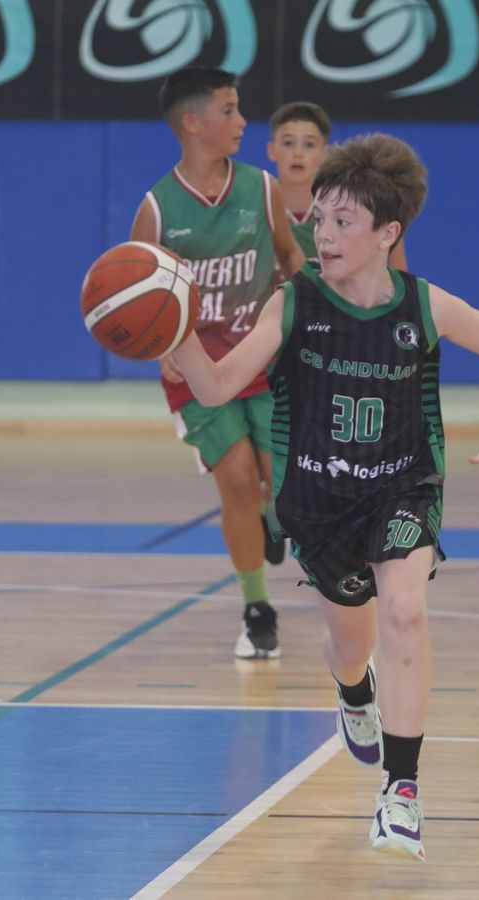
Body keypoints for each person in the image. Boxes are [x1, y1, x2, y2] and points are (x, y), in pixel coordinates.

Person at [170, 133, 479, 861]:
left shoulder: (425, 307)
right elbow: (212, 385)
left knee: (404, 609)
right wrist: (170, 327)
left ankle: (401, 792)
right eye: (319, 218)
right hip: (317, 498)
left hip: (403, 484)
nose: (322, 233)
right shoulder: (293, 303)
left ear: (386, 234)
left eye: (343, 222)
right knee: (350, 643)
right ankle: (354, 693)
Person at [130, 67, 306, 659]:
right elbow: (139, 300)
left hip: (264, 357)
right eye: (229, 111)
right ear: (193, 122)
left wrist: (321, 308)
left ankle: (274, 516)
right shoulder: (156, 209)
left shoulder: (261, 189)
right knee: (235, 481)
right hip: (199, 370)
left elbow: (288, 256)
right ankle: (258, 608)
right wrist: (161, 351)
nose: (242, 121)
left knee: (281, 487)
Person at [267, 100, 408, 271]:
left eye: (309, 144)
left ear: (325, 152)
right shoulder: (257, 205)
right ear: (272, 150)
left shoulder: (348, 206)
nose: (298, 153)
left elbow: (394, 258)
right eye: (288, 143)